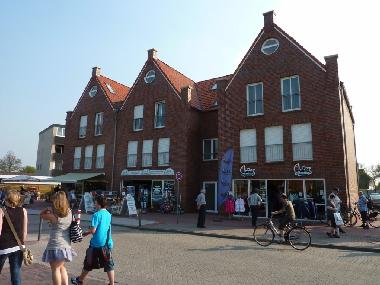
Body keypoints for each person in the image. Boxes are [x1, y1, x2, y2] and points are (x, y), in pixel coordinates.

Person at [71, 195, 114, 285]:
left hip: (95, 244)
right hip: (106, 243)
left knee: (88, 263)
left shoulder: (96, 215)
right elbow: (105, 228)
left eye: (95, 202)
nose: (94, 203)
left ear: (98, 203)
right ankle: (112, 283)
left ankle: (80, 280)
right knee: (109, 264)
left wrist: (87, 231)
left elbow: (93, 230)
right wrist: (88, 232)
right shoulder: (109, 214)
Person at [40, 191, 76, 285]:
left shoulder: (53, 216)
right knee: (62, 267)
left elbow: (41, 215)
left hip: (55, 245)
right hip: (66, 244)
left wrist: (47, 209)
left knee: (55, 269)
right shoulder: (70, 212)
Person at [0, 190, 28, 285]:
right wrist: (22, 244)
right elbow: (25, 231)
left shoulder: (2, 211)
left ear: (7, 199)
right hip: (18, 246)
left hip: (3, 247)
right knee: (16, 273)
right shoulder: (23, 211)